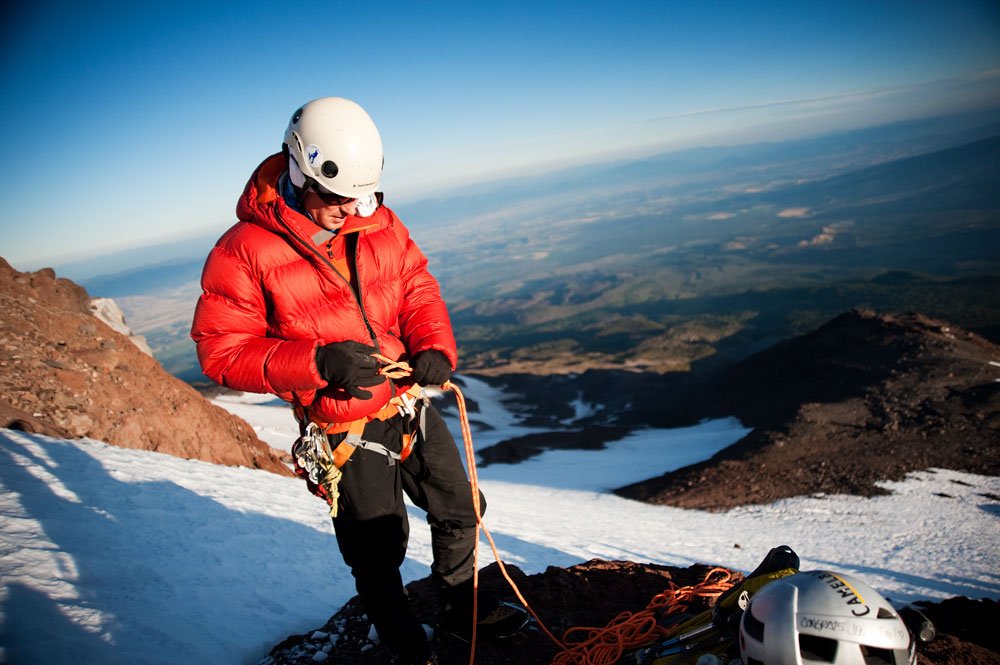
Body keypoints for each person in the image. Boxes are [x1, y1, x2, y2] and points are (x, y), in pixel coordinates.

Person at [191, 97, 524, 664]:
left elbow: (416, 285)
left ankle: (462, 616)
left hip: (407, 402)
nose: (350, 210)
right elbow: (221, 352)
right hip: (343, 426)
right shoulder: (243, 251)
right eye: (337, 197)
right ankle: (406, 648)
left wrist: (434, 346)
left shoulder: (376, 219)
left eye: (359, 197)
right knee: (377, 551)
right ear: (298, 172)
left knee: (460, 509)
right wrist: (318, 362)